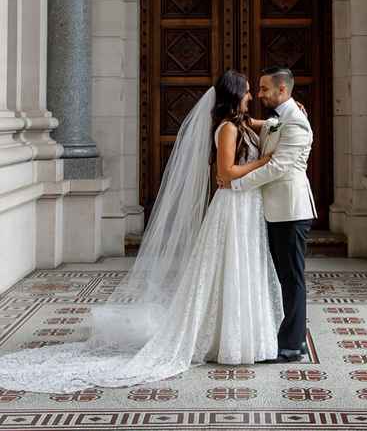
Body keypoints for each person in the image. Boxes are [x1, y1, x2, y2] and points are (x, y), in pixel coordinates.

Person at [0, 71, 283, 392]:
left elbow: (270, 125)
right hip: (231, 208)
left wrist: (288, 114)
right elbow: (227, 173)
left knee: (242, 268)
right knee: (226, 269)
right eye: (246, 92)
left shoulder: (244, 124)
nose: (250, 96)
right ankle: (223, 339)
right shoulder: (228, 128)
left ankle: (241, 337)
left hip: (246, 208)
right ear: (235, 96)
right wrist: (265, 162)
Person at [218, 66, 316, 363]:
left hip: (290, 209)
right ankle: (288, 337)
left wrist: (235, 183)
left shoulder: (295, 122)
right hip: (273, 210)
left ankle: (291, 345)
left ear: (282, 90)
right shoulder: (280, 118)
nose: (257, 95)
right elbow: (252, 123)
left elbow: (276, 167)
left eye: (263, 89)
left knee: (292, 278)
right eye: (253, 90)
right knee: (283, 275)